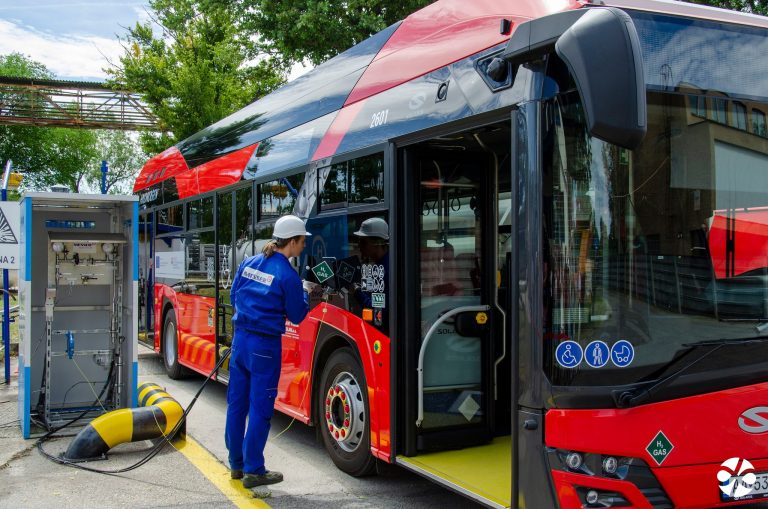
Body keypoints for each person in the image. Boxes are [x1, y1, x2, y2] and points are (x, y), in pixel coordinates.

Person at [225, 214, 312, 488]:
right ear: (293, 241)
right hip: (264, 347)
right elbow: (297, 316)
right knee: (260, 408)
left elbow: (233, 296)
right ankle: (254, 469)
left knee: (236, 405)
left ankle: (236, 464)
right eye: (302, 241)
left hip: (240, 342)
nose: (303, 246)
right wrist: (308, 294)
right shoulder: (288, 274)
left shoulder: (250, 262)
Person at [353, 217, 389, 329]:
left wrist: (356, 291)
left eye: (363, 242)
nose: (359, 246)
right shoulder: (378, 266)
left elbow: (377, 310)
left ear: (377, 243)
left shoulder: (383, 270)